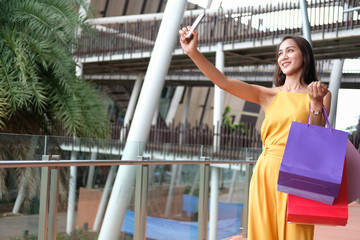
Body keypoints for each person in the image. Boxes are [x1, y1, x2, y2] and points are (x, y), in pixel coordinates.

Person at [179, 26, 331, 240]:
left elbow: (315, 137)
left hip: (300, 175)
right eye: (280, 53)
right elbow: (224, 82)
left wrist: (315, 103)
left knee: (298, 234)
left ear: (304, 56)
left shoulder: (321, 94)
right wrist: (192, 52)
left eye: (289, 51)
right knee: (263, 234)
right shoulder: (268, 95)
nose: (283, 57)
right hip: (266, 173)